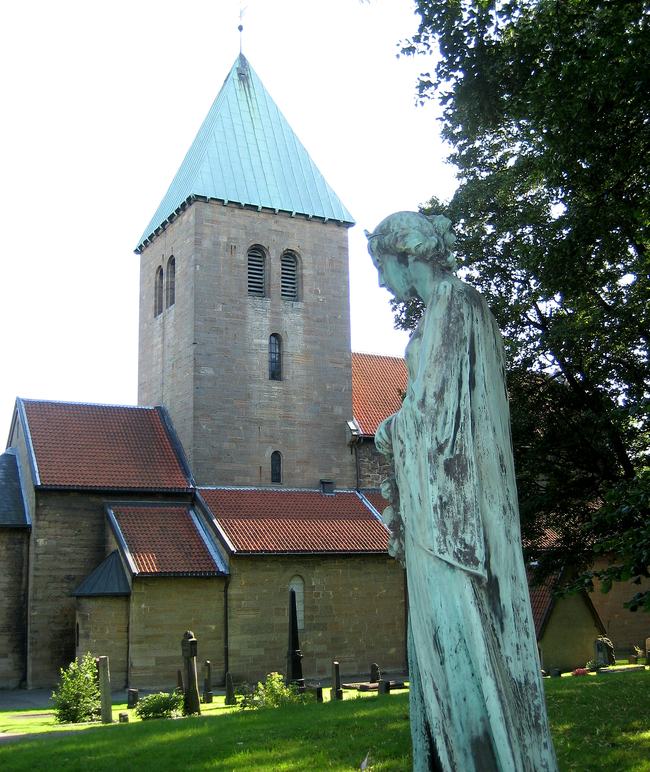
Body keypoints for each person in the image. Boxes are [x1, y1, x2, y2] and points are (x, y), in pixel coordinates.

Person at [367, 211, 557, 772]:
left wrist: (388, 430)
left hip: (455, 516)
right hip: (449, 503)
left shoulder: (453, 303)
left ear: (406, 256)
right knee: (445, 644)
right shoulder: (447, 309)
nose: (381, 282)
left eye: (382, 266)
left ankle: (482, 755)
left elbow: (436, 415)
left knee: (462, 634)